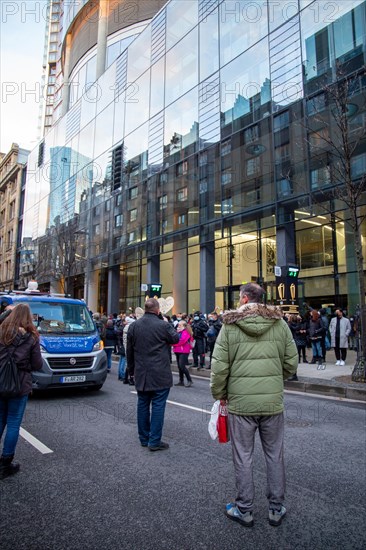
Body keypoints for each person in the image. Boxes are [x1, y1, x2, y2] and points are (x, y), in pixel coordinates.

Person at [211, 283, 297, 528]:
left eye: (240, 298)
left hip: (241, 404)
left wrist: (220, 394)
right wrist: (276, 379)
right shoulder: (280, 325)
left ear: (245, 298)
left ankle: (244, 508)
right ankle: (276, 508)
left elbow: (219, 367)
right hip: (272, 403)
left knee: (243, 456)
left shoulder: (229, 327)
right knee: (274, 454)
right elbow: (292, 362)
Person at [127, 298, 179, 451]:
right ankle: (154, 441)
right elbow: (175, 338)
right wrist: (164, 320)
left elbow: (129, 351)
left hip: (141, 372)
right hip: (160, 373)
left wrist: (131, 371)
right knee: (158, 406)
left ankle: (144, 438)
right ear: (157, 310)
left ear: (144, 309)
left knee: (142, 404)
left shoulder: (134, 326)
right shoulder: (163, 325)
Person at [0, 304, 43, 479]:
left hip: (0, 381)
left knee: (0, 419)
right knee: (13, 423)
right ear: (28, 317)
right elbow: (37, 364)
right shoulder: (32, 337)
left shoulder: (1, 332)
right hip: (20, 384)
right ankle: (5, 463)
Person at [172, 321, 194, 387]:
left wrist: (173, 344)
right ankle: (181, 381)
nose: (178, 326)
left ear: (184, 326)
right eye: (178, 325)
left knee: (182, 366)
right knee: (179, 367)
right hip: (178, 350)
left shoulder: (186, 332)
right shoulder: (179, 332)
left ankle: (189, 380)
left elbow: (182, 341)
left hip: (183, 351)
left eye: (180, 325)